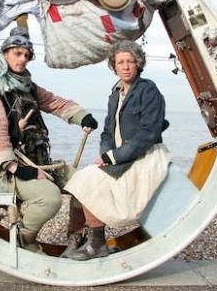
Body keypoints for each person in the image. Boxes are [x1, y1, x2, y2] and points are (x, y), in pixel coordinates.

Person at [0, 26, 98, 253]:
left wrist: (81, 116)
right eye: (17, 54)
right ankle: (25, 239)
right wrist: (20, 170)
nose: (22, 60)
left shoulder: (27, 87)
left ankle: (75, 238)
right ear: (5, 53)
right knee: (49, 199)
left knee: (88, 185)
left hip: (37, 162)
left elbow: (54, 103)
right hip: (10, 170)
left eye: (26, 55)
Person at [63, 40, 171, 260]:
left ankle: (96, 245)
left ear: (138, 64)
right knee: (81, 182)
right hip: (121, 157)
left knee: (86, 180)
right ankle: (83, 241)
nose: (126, 66)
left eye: (130, 61)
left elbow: (149, 134)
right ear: (114, 65)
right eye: (120, 62)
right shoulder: (115, 93)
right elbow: (107, 133)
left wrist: (112, 156)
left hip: (146, 156)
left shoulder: (148, 90)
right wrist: (106, 154)